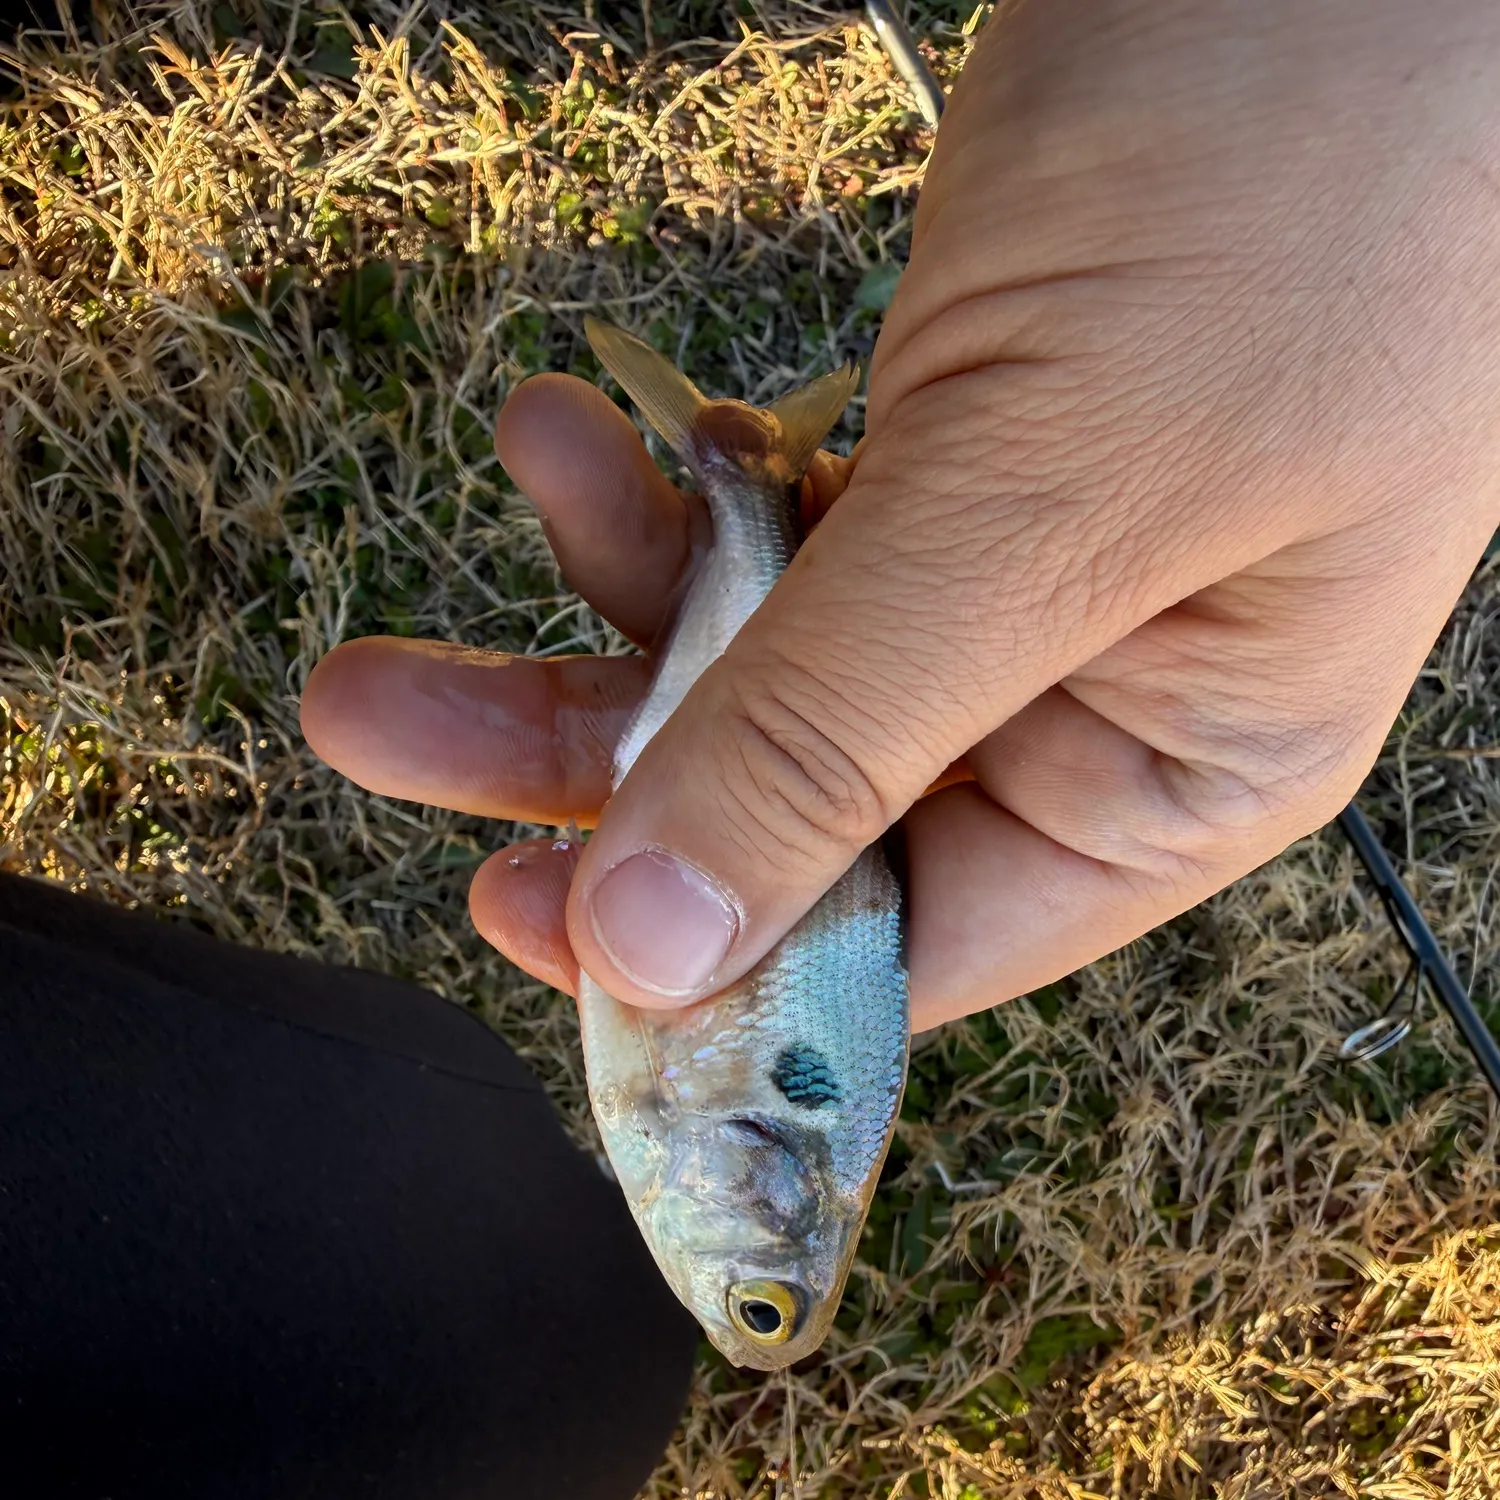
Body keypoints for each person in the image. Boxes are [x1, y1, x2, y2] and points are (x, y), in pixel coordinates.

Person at [6, 1, 1499, 1495]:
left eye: (765, 1303)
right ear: (771, 1196)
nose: (744, 1306)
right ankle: (752, 484)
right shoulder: (691, 1131)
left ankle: (750, 486)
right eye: (762, 1290)